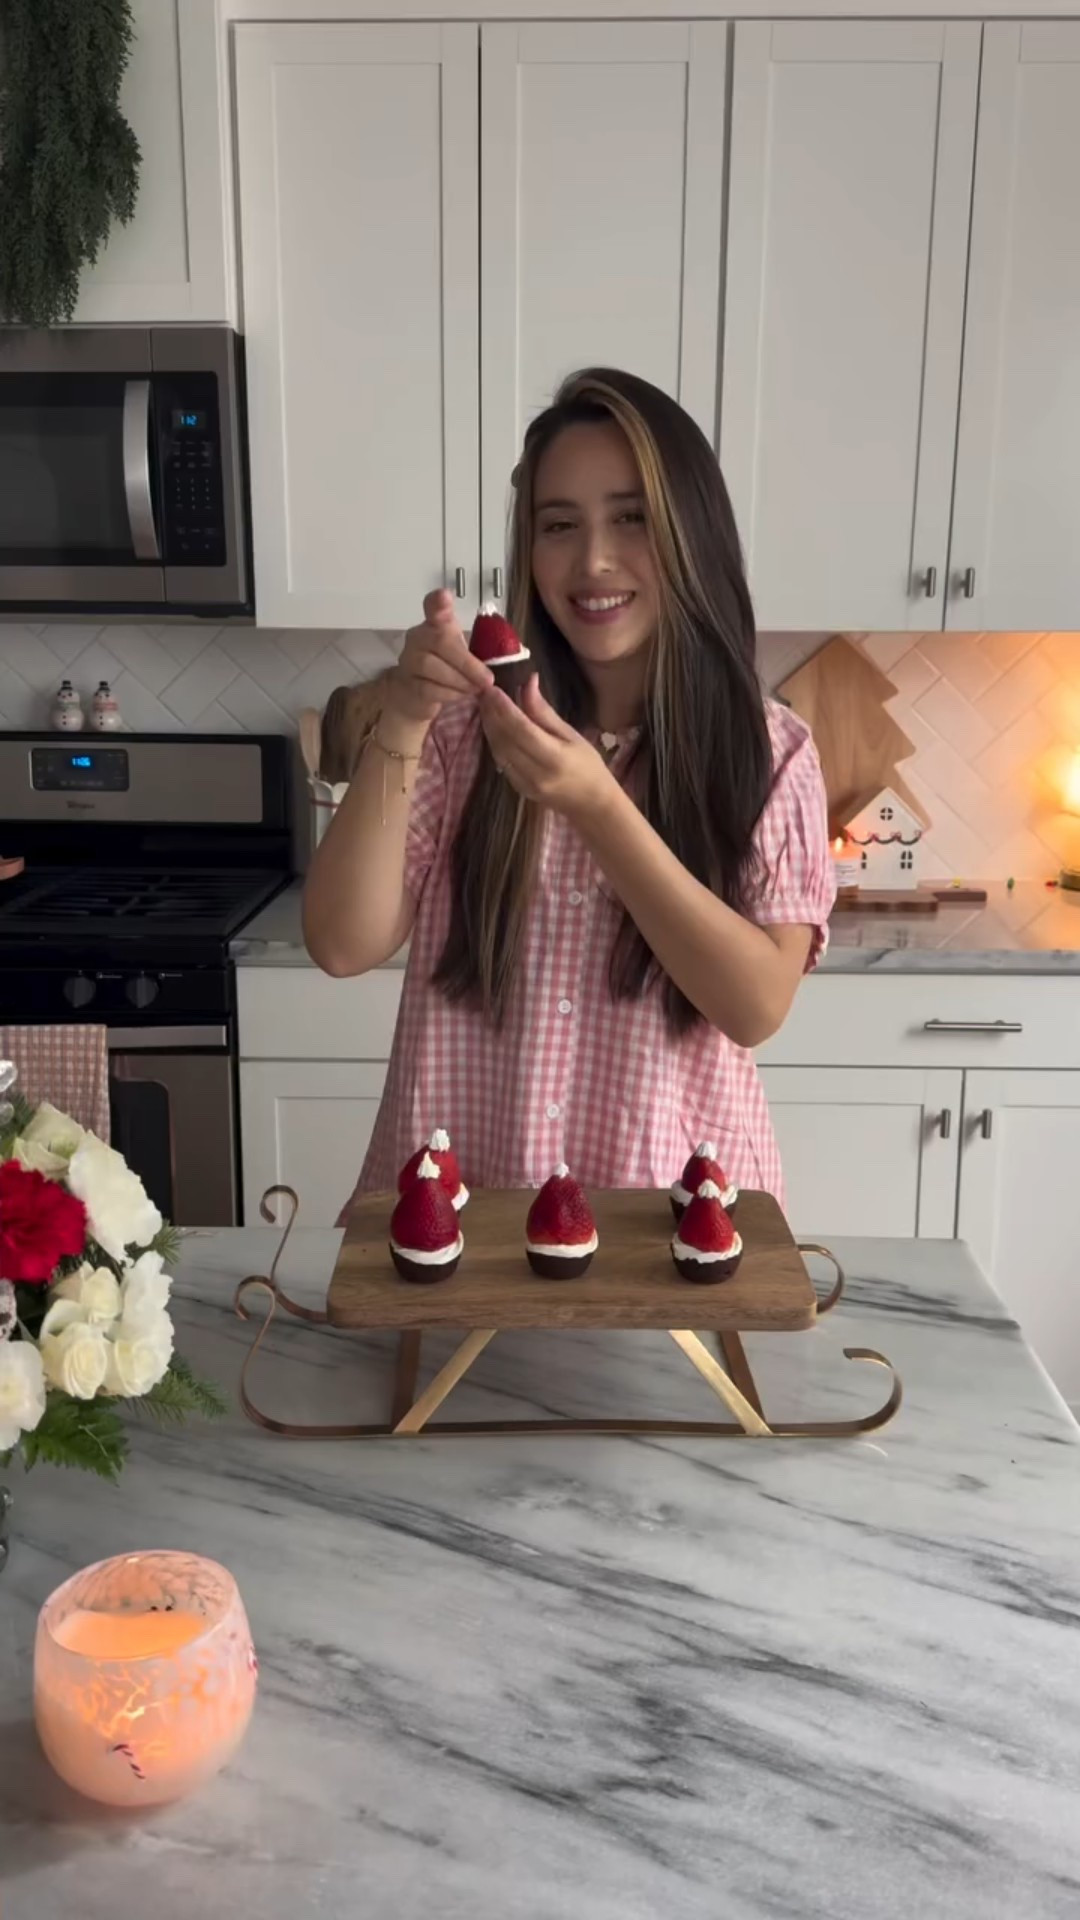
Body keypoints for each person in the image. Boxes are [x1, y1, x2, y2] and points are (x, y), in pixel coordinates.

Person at [304, 368, 835, 1213]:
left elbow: (755, 1004)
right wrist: (401, 719)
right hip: (462, 1228)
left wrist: (597, 805)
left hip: (667, 1238)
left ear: (690, 531)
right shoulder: (459, 735)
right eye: (559, 525)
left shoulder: (770, 752)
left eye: (631, 518)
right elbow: (339, 943)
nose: (592, 561)